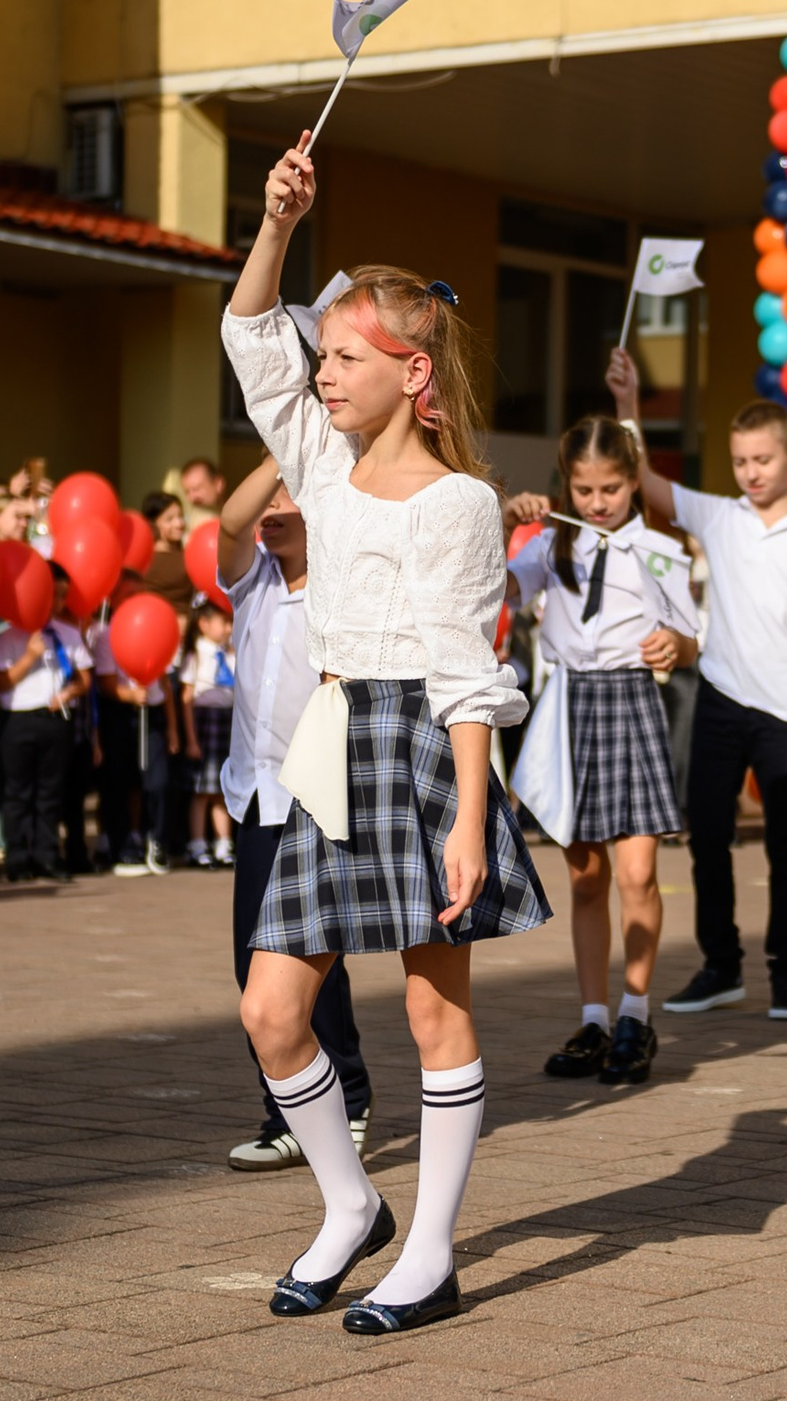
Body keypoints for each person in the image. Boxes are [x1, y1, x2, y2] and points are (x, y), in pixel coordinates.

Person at [224, 144, 549, 1334]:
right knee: (271, 1010)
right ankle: (350, 1203)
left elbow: (470, 673)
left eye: (345, 358)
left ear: (413, 374)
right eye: (325, 358)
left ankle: (432, 1250)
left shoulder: (462, 503)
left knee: (430, 1011)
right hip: (331, 738)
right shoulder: (316, 455)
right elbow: (252, 335)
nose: (322, 376)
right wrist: (275, 223)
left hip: (419, 748)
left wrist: (474, 817)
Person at [609, 346, 787, 1023]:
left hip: (786, 710)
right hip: (717, 697)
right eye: (741, 461)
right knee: (707, 834)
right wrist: (628, 406)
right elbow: (646, 482)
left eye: (763, 460)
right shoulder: (718, 515)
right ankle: (720, 966)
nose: (751, 473)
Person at [506, 416, 700, 1087]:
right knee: (586, 876)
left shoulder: (660, 550)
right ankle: (593, 1017)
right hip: (569, 706)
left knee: (637, 874)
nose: (596, 501)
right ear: (567, 483)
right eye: (584, 488)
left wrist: (676, 644)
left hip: (630, 701)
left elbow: (693, 636)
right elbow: (497, 593)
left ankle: (636, 1015)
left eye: (611, 487)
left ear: (632, 480)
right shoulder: (548, 545)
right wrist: (506, 523)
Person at [215, 454, 373, 1173]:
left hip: (318, 794)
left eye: (289, 497)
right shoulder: (249, 581)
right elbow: (229, 519)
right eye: (267, 497)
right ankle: (285, 1109)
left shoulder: (340, 591)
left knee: (316, 958)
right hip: (257, 796)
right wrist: (283, 450)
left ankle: (350, 1099)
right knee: (254, 959)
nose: (272, 508)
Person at [0, 574, 91, 884]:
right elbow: (2, 681)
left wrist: (68, 693)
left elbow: (84, 678)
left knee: (50, 792)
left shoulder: (69, 633)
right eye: (50, 597)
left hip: (55, 719)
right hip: (19, 719)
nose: (55, 604)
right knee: (18, 792)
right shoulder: (9, 636)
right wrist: (30, 656)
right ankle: (17, 858)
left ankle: (47, 855)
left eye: (61, 598)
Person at [98, 571, 171, 878]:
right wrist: (128, 694)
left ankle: (155, 839)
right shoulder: (106, 634)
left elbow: (165, 680)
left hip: (151, 713)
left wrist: (174, 726)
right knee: (121, 781)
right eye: (128, 595)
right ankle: (123, 845)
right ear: (113, 600)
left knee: (157, 780)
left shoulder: (154, 626)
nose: (134, 603)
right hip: (121, 715)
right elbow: (105, 682)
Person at [184, 598, 238, 868]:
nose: (229, 628)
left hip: (228, 722)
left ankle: (223, 843)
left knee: (222, 789)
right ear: (203, 624)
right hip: (204, 723)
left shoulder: (231, 653)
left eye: (230, 622)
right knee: (202, 790)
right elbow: (186, 698)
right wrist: (191, 739)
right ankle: (197, 844)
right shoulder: (195, 654)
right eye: (224, 622)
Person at [141, 491, 196, 616]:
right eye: (169, 519)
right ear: (153, 523)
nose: (179, 524)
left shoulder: (189, 553)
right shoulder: (147, 560)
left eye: (181, 516)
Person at [178, 457, 226, 531]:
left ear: (218, 484)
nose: (192, 497)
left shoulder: (239, 518)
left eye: (196, 489)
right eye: (187, 492)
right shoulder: (184, 527)